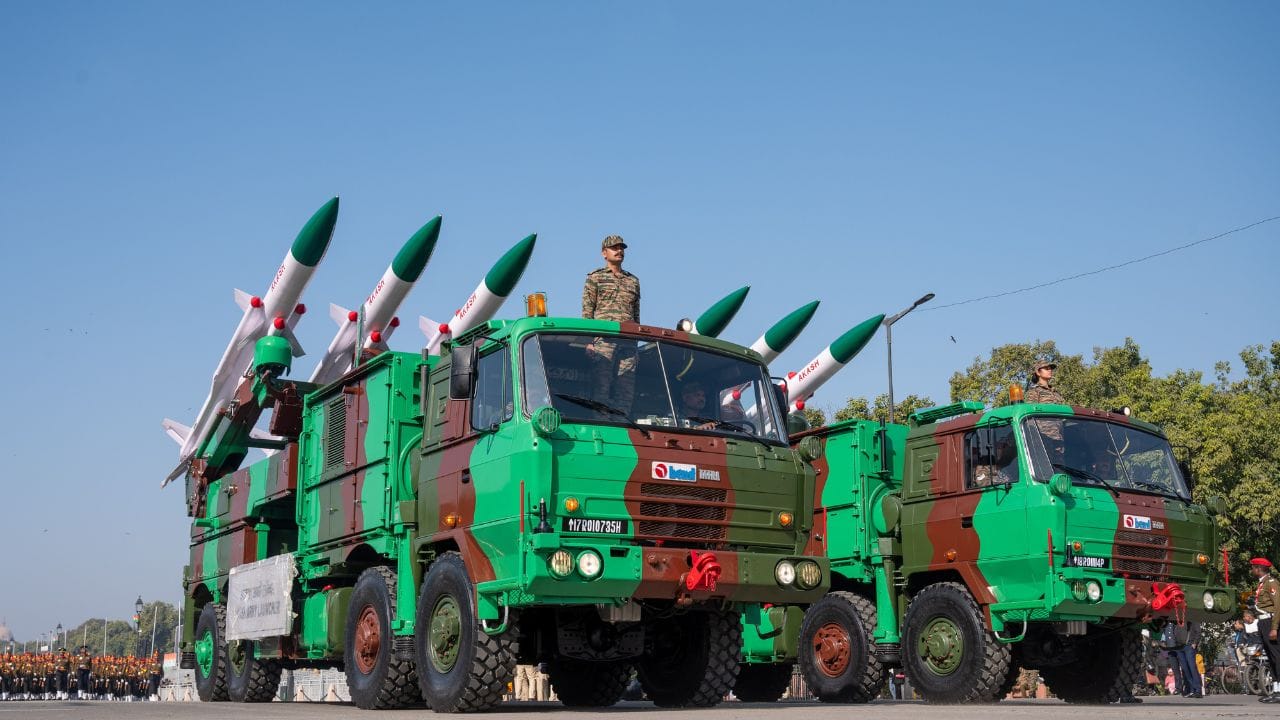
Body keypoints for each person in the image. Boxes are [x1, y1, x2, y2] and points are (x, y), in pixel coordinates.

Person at [582, 235, 641, 412]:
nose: (619, 251)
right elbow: (587, 311)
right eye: (614, 248)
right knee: (602, 384)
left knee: (626, 388)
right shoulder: (595, 278)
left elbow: (636, 315)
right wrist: (588, 341)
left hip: (628, 341)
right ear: (604, 253)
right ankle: (601, 422)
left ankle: (622, 424)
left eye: (621, 248)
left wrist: (636, 345)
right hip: (604, 340)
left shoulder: (633, 281)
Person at [1251, 557, 1280, 703]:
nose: (1252, 570)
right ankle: (1275, 690)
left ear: (1259, 568)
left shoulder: (1271, 583)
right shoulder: (1262, 584)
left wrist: (1274, 628)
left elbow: (1278, 606)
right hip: (1262, 622)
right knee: (1270, 656)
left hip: (1270, 621)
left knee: (1276, 656)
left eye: (1253, 567)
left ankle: (1279, 690)